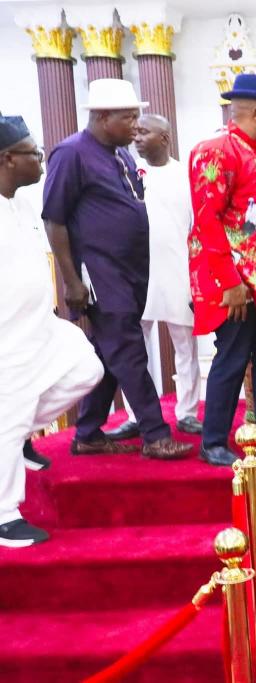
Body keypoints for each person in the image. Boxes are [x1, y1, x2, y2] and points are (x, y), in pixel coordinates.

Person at [42, 78, 191, 460]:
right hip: (100, 274)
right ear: (103, 117)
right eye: (128, 118)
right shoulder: (71, 153)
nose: (134, 126)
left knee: (111, 355)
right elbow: (55, 220)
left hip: (131, 273)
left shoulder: (120, 153)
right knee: (128, 350)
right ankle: (156, 435)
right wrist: (71, 281)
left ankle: (89, 432)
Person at [0, 116, 104, 547]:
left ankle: (22, 435)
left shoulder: (21, 201)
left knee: (86, 368)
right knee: (9, 415)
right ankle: (5, 517)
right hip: (8, 340)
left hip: (40, 327)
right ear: (7, 159)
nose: (41, 159)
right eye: (33, 153)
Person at [188, 73, 256, 466]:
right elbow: (208, 221)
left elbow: (254, 220)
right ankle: (214, 441)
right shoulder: (218, 150)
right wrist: (229, 282)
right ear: (255, 112)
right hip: (236, 284)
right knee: (232, 359)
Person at [106, 114, 202, 440]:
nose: (137, 137)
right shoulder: (129, 173)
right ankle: (138, 414)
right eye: (135, 132)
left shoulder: (186, 176)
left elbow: (196, 229)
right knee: (137, 348)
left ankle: (187, 412)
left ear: (164, 138)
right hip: (137, 275)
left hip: (177, 272)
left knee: (185, 346)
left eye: (144, 132)